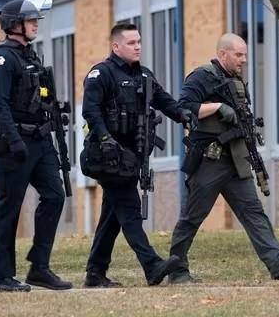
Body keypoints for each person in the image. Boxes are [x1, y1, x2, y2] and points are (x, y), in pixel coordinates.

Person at [168, 33, 279, 284]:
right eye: (239, 54)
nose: (244, 60)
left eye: (245, 55)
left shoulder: (236, 80)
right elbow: (183, 108)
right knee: (192, 217)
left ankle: (277, 261)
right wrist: (217, 108)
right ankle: (177, 270)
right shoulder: (201, 76)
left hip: (235, 159)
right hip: (208, 162)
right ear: (223, 54)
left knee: (254, 211)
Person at [81, 23, 195, 288]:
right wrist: (106, 139)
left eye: (139, 42)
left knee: (112, 216)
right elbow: (91, 111)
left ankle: (95, 273)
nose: (138, 47)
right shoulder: (102, 73)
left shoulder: (143, 75)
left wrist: (181, 115)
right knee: (130, 210)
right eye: (131, 43)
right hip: (107, 155)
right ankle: (152, 266)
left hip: (131, 156)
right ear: (116, 46)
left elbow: (163, 100)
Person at [0, 0, 72, 293]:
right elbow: (0, 106)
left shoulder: (30, 56)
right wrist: (14, 140)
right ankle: (1, 277)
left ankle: (39, 267)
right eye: (30, 20)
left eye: (36, 20)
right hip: (14, 144)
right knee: (9, 208)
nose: (36, 24)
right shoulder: (2, 59)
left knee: (55, 195)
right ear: (14, 25)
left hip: (40, 140)